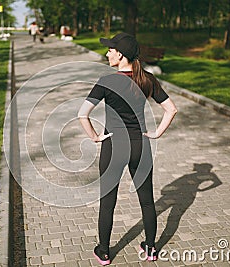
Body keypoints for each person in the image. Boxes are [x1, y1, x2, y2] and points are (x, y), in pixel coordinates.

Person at [78, 32, 177, 265]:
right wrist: (156, 133)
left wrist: (95, 137)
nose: (107, 53)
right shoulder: (148, 79)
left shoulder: (107, 81)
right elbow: (171, 109)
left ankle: (104, 252)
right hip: (140, 145)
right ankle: (151, 249)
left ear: (120, 55)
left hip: (114, 146)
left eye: (110, 50)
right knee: (147, 201)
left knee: (108, 201)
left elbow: (82, 114)